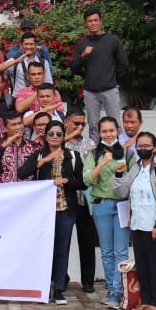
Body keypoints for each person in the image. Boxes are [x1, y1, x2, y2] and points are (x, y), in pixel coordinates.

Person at [18, 115, 84, 304]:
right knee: (44, 249)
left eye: (59, 134)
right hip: (43, 211)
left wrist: (66, 181)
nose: (55, 136)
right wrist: (46, 159)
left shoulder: (73, 156)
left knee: (62, 250)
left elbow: (82, 183)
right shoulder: (39, 154)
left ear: (64, 136)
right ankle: (44, 285)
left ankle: (59, 289)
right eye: (51, 134)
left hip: (65, 209)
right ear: (45, 136)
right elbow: (22, 173)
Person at [112, 131, 156, 310]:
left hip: (153, 225)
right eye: (140, 146)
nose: (143, 149)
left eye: (147, 146)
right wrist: (118, 173)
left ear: (154, 148)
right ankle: (145, 300)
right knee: (142, 264)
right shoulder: (136, 168)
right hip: (137, 224)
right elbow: (121, 192)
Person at [84, 117, 131, 309]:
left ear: (117, 131)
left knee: (121, 251)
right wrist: (103, 163)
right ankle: (112, 290)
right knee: (106, 251)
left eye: (112, 131)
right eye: (105, 131)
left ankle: (119, 292)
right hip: (101, 205)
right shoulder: (94, 154)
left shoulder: (127, 152)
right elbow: (87, 180)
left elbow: (134, 177)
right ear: (99, 133)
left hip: (122, 205)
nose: (108, 134)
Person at [70, 7, 128, 138]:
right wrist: (83, 56)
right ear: (85, 23)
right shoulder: (82, 44)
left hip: (110, 89)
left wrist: (111, 78)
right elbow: (74, 68)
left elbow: (123, 64)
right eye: (90, 21)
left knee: (116, 125)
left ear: (101, 21)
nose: (93, 23)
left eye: (96, 20)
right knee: (93, 127)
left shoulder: (113, 40)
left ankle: (118, 155)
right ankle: (95, 157)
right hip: (90, 92)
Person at [63, 108, 99, 293]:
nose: (79, 127)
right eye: (75, 123)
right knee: (64, 242)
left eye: (82, 124)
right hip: (66, 200)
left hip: (85, 200)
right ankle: (62, 278)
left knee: (86, 242)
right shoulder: (60, 143)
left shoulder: (90, 145)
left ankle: (88, 281)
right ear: (66, 122)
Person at [0, 111, 40, 185]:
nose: (18, 127)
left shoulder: (33, 146)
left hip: (28, 191)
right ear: (5, 128)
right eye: (13, 125)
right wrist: (4, 145)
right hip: (6, 191)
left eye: (20, 123)